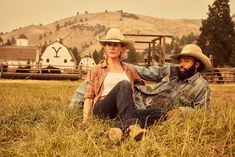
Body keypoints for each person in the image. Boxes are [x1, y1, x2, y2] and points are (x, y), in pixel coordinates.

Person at [82, 28, 164, 141]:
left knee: (158, 113)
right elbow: (89, 97)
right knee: (124, 84)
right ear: (105, 48)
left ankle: (117, 129)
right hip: (103, 108)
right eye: (108, 44)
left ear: (122, 49)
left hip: (123, 109)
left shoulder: (129, 70)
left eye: (115, 44)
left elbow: (142, 87)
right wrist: (86, 120)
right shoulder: (96, 70)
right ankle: (133, 127)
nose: (111, 47)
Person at [133, 44, 212, 116]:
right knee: (124, 86)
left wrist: (181, 111)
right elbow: (146, 72)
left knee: (131, 114)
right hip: (142, 102)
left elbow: (202, 111)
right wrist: (123, 65)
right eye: (180, 61)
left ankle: (131, 118)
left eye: (186, 61)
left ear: (196, 65)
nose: (181, 64)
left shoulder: (201, 86)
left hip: (156, 114)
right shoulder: (172, 72)